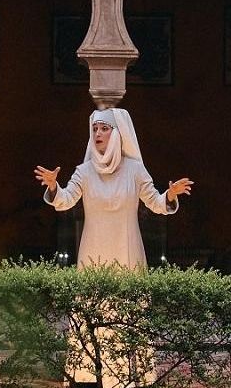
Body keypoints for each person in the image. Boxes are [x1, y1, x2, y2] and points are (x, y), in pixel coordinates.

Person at [33, 107, 193, 269]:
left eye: (104, 128)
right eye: (94, 129)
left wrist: (171, 194)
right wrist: (53, 186)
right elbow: (65, 200)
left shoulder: (135, 170)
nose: (97, 133)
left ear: (117, 134)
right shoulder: (84, 171)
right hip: (93, 250)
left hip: (128, 249)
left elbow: (156, 203)